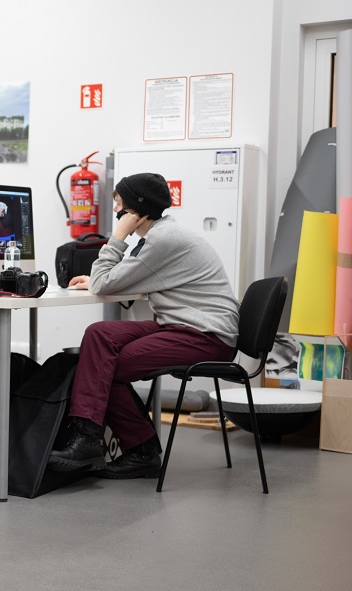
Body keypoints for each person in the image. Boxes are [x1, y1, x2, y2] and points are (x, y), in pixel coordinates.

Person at [47, 172, 240, 479]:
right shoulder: (161, 234)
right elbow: (109, 281)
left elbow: (103, 281)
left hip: (206, 335)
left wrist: (118, 238)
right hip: (180, 324)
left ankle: (135, 449)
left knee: (104, 368)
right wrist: (98, 282)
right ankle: (94, 438)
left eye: (118, 204)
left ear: (135, 210)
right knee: (100, 334)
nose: (115, 211)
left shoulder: (162, 239)